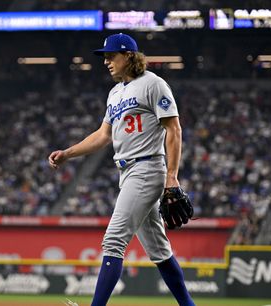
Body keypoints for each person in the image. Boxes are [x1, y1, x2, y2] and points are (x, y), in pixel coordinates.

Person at [48, 33, 195, 306]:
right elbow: (103, 136)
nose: (106, 62)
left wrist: (172, 177)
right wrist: (68, 153)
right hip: (127, 172)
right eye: (104, 57)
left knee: (113, 241)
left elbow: (173, 129)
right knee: (159, 250)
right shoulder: (115, 93)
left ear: (128, 55)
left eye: (110, 56)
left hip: (147, 167)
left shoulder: (153, 84)